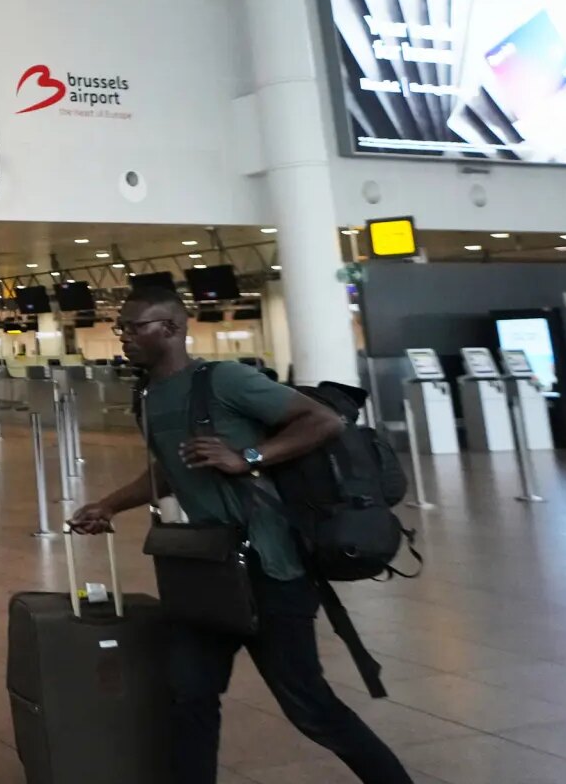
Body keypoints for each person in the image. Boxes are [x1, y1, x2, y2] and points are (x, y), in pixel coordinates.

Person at [70, 285, 412, 784]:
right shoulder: (147, 396)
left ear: (172, 328)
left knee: (310, 706)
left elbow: (323, 421)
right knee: (189, 695)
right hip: (208, 572)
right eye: (120, 327)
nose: (124, 336)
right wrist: (109, 505)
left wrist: (247, 457)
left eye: (134, 327)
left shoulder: (225, 380)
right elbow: (170, 470)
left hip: (271, 571)